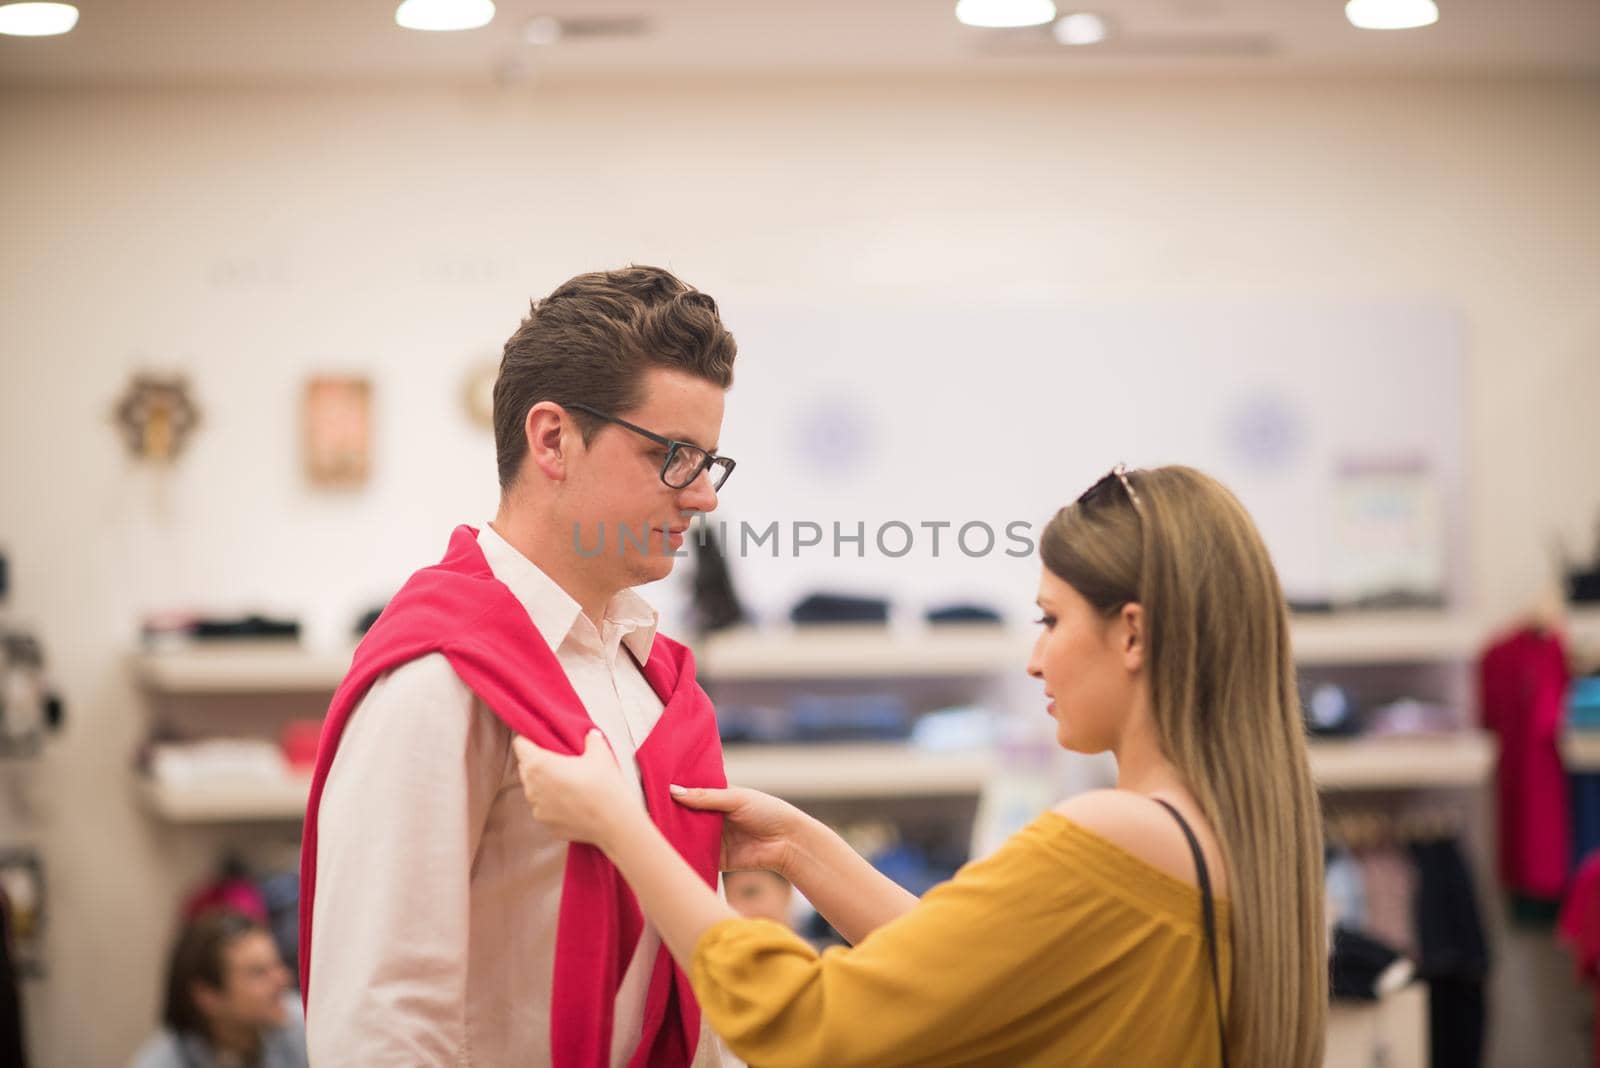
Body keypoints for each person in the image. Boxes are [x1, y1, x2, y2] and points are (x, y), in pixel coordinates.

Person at [515, 464, 1329, 1067]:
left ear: (1134, 634)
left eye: (1050, 619)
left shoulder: (1115, 833)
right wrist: (800, 849)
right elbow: (961, 970)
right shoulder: (1225, 834)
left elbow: (814, 1024)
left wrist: (621, 828)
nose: (1035, 660)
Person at [300, 266, 738, 1066]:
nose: (703, 496)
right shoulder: (438, 676)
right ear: (551, 440)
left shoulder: (650, 676)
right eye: (674, 456)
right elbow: (384, 1018)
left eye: (710, 462)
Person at [129, 910, 306, 1068]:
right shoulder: (160, 1063)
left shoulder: (301, 1026)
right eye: (258, 973)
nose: (284, 979)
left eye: (277, 964)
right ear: (207, 996)